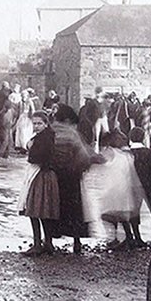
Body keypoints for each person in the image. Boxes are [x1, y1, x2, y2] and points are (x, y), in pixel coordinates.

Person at [46, 105, 91, 254]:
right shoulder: (72, 134)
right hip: (71, 176)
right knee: (74, 208)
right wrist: (80, 170)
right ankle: (76, 241)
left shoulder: (48, 131)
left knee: (51, 206)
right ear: (67, 120)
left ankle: (49, 241)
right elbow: (83, 156)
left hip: (52, 175)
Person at [18, 110, 58, 255]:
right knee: (43, 210)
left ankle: (37, 244)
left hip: (41, 174)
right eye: (34, 123)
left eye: (39, 123)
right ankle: (47, 243)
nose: (36, 126)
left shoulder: (44, 138)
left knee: (34, 209)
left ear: (46, 124)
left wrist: (30, 147)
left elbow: (37, 157)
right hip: (43, 174)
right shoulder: (45, 136)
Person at [98, 130, 144, 249]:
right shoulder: (126, 154)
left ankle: (115, 238)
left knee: (112, 214)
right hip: (124, 187)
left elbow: (101, 165)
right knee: (122, 215)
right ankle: (128, 237)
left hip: (113, 188)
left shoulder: (109, 152)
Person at [128, 126, 151, 230]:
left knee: (134, 210)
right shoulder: (147, 152)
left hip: (133, 184)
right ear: (143, 137)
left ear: (130, 138)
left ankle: (137, 235)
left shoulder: (128, 153)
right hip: (148, 185)